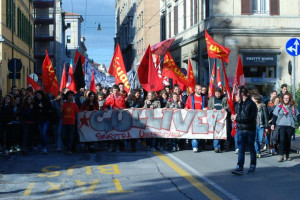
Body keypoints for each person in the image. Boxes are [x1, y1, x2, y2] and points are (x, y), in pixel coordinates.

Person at [231, 86, 258, 175]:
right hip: (241, 129)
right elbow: (237, 116)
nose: (236, 95)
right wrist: (234, 118)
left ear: (242, 94)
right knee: (241, 149)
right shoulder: (239, 104)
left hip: (250, 130)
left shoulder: (251, 104)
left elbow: (251, 118)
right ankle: (239, 167)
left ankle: (252, 166)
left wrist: (237, 118)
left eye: (238, 93)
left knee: (251, 148)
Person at [271, 93, 300, 162]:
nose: (286, 99)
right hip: (281, 125)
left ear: (289, 99)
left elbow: (298, 116)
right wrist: (273, 124)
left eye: (287, 98)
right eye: (285, 98)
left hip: (290, 126)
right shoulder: (279, 106)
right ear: (283, 99)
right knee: (282, 140)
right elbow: (275, 116)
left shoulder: (292, 107)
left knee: (287, 141)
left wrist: (299, 125)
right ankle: (281, 155)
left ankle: (287, 156)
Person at [185, 84, 208, 153]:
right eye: (198, 89)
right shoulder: (190, 97)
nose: (200, 90)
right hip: (192, 117)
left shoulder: (204, 97)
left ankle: (198, 145)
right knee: (194, 132)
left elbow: (207, 105)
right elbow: (187, 105)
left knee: (199, 132)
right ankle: (194, 146)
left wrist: (206, 108)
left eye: (200, 89)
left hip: (201, 117)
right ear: (195, 90)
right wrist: (186, 108)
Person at [103, 85, 126, 152]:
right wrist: (106, 108)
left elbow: (123, 106)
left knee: (118, 132)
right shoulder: (109, 97)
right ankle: (112, 146)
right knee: (111, 132)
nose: (115, 92)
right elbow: (105, 105)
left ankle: (118, 147)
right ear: (112, 91)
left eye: (116, 90)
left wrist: (119, 108)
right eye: (114, 90)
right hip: (111, 117)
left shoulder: (121, 97)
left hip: (118, 117)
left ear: (118, 91)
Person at [207, 88, 229, 153]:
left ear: (221, 93)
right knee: (216, 133)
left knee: (221, 132)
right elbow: (208, 107)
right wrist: (212, 109)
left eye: (219, 94)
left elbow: (228, 106)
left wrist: (224, 108)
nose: (218, 95)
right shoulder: (212, 99)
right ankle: (216, 147)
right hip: (214, 119)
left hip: (222, 119)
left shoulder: (224, 99)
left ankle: (220, 146)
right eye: (216, 94)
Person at [33, 90, 51, 155]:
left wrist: (42, 107)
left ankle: (44, 147)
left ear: (41, 95)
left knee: (43, 132)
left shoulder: (46, 101)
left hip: (45, 119)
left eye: (39, 95)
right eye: (37, 95)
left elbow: (48, 110)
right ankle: (43, 145)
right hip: (39, 120)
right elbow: (35, 110)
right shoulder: (36, 101)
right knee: (41, 134)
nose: (38, 97)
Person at [62, 91, 79, 155]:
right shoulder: (63, 104)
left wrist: (78, 123)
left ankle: (69, 149)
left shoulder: (75, 105)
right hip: (64, 123)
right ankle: (67, 146)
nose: (71, 96)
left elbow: (77, 115)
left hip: (72, 123)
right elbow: (61, 114)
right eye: (69, 95)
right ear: (67, 96)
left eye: (72, 95)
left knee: (71, 136)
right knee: (63, 136)